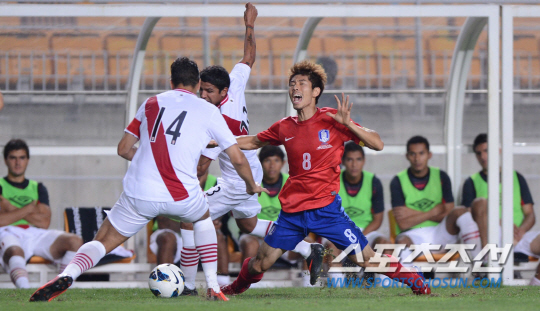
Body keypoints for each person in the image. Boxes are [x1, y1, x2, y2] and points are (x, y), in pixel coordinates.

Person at [29, 57, 267, 302]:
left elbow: (123, 149)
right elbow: (238, 158)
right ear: (198, 85)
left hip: (139, 194)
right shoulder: (208, 110)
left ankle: (69, 273)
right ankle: (212, 286)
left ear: (171, 81)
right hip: (181, 194)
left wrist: (146, 158)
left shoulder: (151, 103)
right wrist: (251, 184)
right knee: (203, 218)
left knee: (102, 240)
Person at [221, 60, 431, 296]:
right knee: (261, 262)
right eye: (292, 84)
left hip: (327, 212)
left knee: (367, 260)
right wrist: (215, 140)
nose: (295, 88)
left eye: (302, 83)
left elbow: (377, 143)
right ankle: (230, 290)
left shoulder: (333, 120)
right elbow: (252, 141)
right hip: (292, 214)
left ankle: (416, 280)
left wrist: (348, 123)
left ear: (316, 92)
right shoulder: (284, 127)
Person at [179, 2, 321, 294]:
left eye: (208, 91)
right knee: (249, 225)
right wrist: (250, 26)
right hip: (249, 167)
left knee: (189, 217)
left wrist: (188, 190)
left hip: (237, 178)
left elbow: (203, 167)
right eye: (201, 89)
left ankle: (187, 285)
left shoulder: (217, 118)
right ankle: (309, 249)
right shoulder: (235, 82)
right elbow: (249, 56)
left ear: (223, 92)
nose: (202, 95)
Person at [0, 139, 83, 289]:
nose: (18, 162)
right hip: (6, 232)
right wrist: (30, 208)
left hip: (34, 233)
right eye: (13, 158)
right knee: (14, 250)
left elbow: (44, 223)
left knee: (75, 241)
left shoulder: (38, 187)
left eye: (22, 158)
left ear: (28, 160)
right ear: (5, 160)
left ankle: (59, 290)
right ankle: (25, 292)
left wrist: (9, 207)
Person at [390, 136, 481, 265]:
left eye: (421, 153)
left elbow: (449, 213)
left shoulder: (441, 176)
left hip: (441, 233)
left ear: (429, 154)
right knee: (401, 243)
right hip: (412, 235)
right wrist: (434, 211)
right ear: (407, 156)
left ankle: (481, 264)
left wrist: (413, 213)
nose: (417, 159)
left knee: (460, 212)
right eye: (413, 154)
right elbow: (403, 224)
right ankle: (409, 282)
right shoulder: (398, 181)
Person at [325, 142, 391, 277]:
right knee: (332, 247)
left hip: (366, 232)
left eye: (358, 159)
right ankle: (338, 291)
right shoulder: (333, 181)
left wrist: (359, 239)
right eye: (349, 159)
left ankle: (385, 290)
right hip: (339, 232)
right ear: (342, 161)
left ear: (364, 161)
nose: (354, 164)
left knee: (385, 244)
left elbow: (378, 220)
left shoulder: (373, 181)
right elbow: (327, 216)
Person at [462, 133, 535, 249]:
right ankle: (488, 256)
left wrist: (521, 231)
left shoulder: (516, 177)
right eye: (479, 153)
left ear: (499, 150)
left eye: (487, 151)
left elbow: (530, 213)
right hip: (489, 237)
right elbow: (469, 215)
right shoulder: (471, 182)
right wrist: (502, 224)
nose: (483, 156)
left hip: (518, 237)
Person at [149, 171, 217, 265]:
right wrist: (195, 227)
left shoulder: (214, 182)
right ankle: (165, 278)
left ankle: (221, 278)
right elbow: (163, 223)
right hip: (171, 232)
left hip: (198, 234)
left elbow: (216, 222)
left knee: (218, 237)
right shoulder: (169, 180)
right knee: (167, 238)